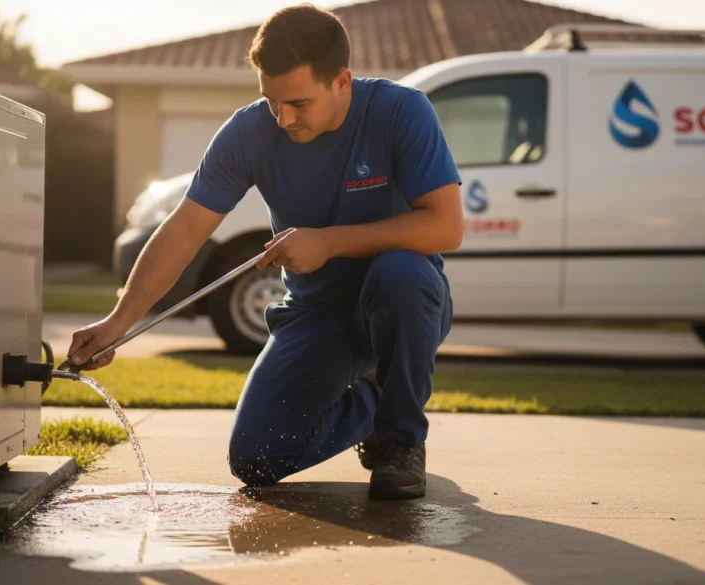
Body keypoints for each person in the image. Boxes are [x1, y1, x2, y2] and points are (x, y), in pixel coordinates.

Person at [65, 3, 463, 500]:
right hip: (317, 313)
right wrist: (117, 322)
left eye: (298, 103)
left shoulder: (402, 112)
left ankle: (400, 441)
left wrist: (327, 241)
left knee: (401, 272)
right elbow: (185, 229)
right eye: (271, 101)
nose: (283, 118)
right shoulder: (249, 132)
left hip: (403, 304)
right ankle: (374, 399)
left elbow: (446, 227)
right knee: (256, 458)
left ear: (342, 82)